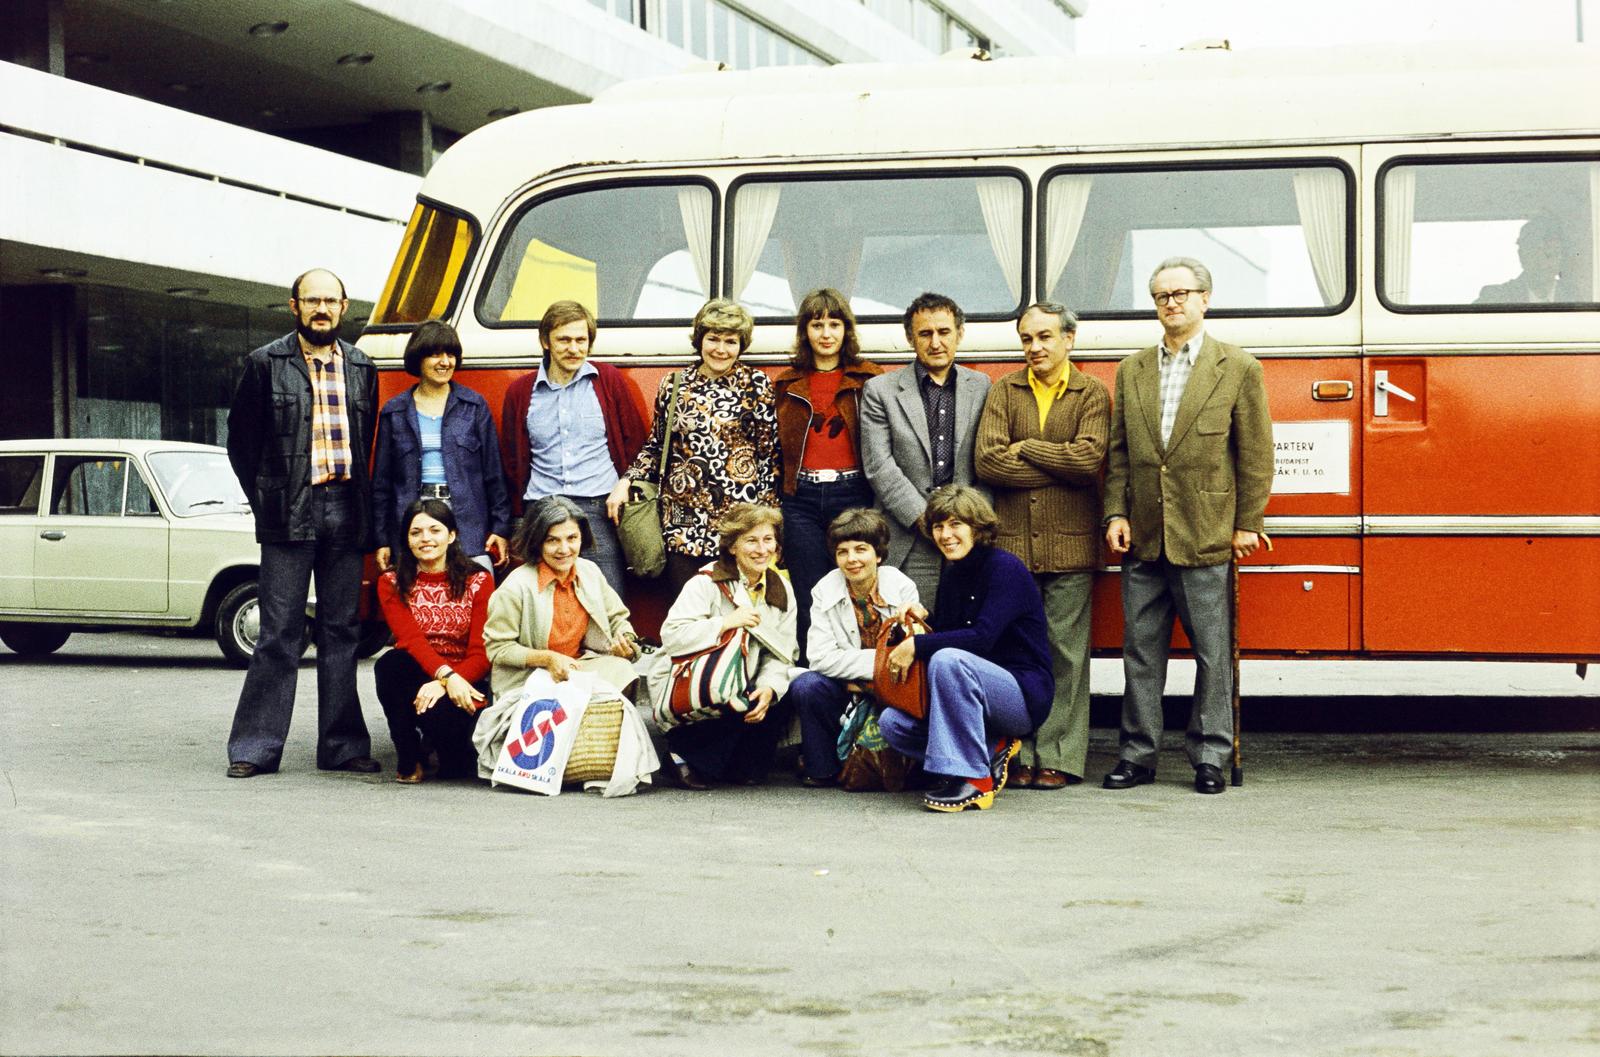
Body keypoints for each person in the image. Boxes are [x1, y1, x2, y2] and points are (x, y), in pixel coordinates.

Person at [1102, 256, 1273, 796]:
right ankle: (1137, 754)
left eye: (1181, 293)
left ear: (1205, 299)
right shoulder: (1132, 369)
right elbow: (1120, 453)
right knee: (1141, 654)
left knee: (1212, 654)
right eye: (1161, 296)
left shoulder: (1238, 366)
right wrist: (1116, 512)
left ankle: (1209, 756)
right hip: (1145, 536)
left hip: (1207, 531)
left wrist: (1247, 521)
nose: (1171, 303)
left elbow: (1255, 453)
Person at [223, 268, 379, 778]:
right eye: (311, 300)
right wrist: (267, 496)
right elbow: (241, 443)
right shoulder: (265, 363)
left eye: (330, 300)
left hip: (346, 509)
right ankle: (255, 748)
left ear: (344, 305)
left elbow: (367, 441)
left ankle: (342, 746)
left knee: (342, 631)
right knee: (278, 633)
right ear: (294, 306)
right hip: (288, 511)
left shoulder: (361, 366)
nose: (321, 309)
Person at [975, 301, 1109, 789]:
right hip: (1012, 549)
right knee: (1016, 652)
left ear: (1068, 340)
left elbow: (1087, 460)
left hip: (1070, 547)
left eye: (1045, 337)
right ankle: (1019, 751)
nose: (1035, 347)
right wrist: (1059, 461)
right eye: (1027, 339)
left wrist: (1026, 448)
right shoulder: (1003, 392)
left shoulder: (1090, 392)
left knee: (1067, 656)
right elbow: (988, 462)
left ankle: (1059, 756)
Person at [878, 486, 1053, 813]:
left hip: (1020, 694)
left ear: (978, 528)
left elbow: (982, 638)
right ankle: (991, 748)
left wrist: (916, 644)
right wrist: (922, 621)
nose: (946, 535)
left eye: (956, 524)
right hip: (971, 694)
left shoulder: (1005, 568)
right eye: (938, 526)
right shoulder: (954, 573)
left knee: (947, 659)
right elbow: (950, 634)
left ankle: (975, 782)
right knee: (892, 723)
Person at [608, 299, 779, 594]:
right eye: (713, 339)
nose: (720, 349)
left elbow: (769, 456)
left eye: (730, 341)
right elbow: (656, 446)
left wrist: (768, 523)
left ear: (741, 345)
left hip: (739, 526)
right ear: (700, 339)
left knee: (738, 614)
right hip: (684, 524)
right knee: (687, 615)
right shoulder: (674, 385)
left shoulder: (756, 385)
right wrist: (626, 481)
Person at [636, 504, 797, 789]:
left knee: (786, 694)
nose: (762, 549)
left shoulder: (781, 589)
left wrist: (769, 689)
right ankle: (680, 754)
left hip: (745, 684)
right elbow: (672, 635)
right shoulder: (706, 582)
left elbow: (783, 655)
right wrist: (724, 623)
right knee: (729, 700)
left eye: (768, 539)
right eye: (751, 540)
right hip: (694, 686)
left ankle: (704, 759)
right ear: (733, 547)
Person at [501, 301, 648, 593]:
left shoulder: (608, 381)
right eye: (564, 340)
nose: (574, 348)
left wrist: (625, 483)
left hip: (598, 508)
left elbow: (637, 444)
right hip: (542, 509)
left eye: (581, 340)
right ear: (546, 342)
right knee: (546, 601)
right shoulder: (521, 392)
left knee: (607, 597)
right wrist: (517, 518)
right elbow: (511, 461)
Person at [859, 292, 991, 607]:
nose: (935, 342)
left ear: (960, 333)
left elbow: (988, 461)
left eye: (944, 332)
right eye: (925, 333)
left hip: (966, 535)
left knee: (963, 632)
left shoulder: (983, 386)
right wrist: (927, 520)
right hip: (907, 536)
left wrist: (966, 521)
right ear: (910, 337)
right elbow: (879, 466)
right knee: (907, 632)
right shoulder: (880, 391)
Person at [772, 289, 883, 659]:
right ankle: (810, 680)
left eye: (834, 324)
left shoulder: (867, 379)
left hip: (851, 493)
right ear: (804, 331)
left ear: (846, 330)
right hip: (801, 499)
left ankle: (854, 673)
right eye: (816, 325)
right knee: (809, 592)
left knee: (854, 586)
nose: (826, 333)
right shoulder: (787, 384)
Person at [787, 508, 919, 788]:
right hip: (847, 687)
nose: (852, 559)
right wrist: (882, 661)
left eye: (861, 549)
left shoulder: (901, 585)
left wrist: (858, 679)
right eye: (843, 551)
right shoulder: (824, 589)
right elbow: (820, 658)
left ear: (879, 554)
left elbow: (908, 656)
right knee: (807, 686)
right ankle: (822, 769)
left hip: (892, 688)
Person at [372, 320, 512, 574]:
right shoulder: (395, 411)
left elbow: (494, 474)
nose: (445, 362)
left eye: (450, 354)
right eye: (435, 354)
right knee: (418, 601)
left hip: (467, 523)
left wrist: (500, 529)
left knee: (471, 598)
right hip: (413, 520)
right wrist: (381, 539)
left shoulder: (474, 406)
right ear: (418, 359)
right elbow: (382, 484)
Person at [373, 500, 494, 783]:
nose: (425, 538)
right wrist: (444, 675)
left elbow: (482, 651)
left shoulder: (478, 580)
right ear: (407, 539)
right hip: (416, 673)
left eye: (435, 530)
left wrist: (446, 682)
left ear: (451, 536)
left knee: (458, 770)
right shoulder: (392, 581)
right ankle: (408, 755)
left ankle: (437, 744)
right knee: (390, 664)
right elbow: (411, 640)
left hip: (464, 679)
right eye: (416, 533)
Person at [482, 496, 640, 702]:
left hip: (581, 666)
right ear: (537, 542)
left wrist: (626, 641)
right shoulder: (515, 587)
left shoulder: (590, 571)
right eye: (552, 540)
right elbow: (498, 649)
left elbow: (618, 618)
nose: (564, 549)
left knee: (623, 671)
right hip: (530, 678)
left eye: (572, 538)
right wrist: (547, 659)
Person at [1476, 215, 1568, 304]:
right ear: (1521, 256)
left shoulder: (1575, 298)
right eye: (1535, 255)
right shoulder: (1495, 298)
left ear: (1561, 258)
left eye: (1550, 255)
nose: (1543, 263)